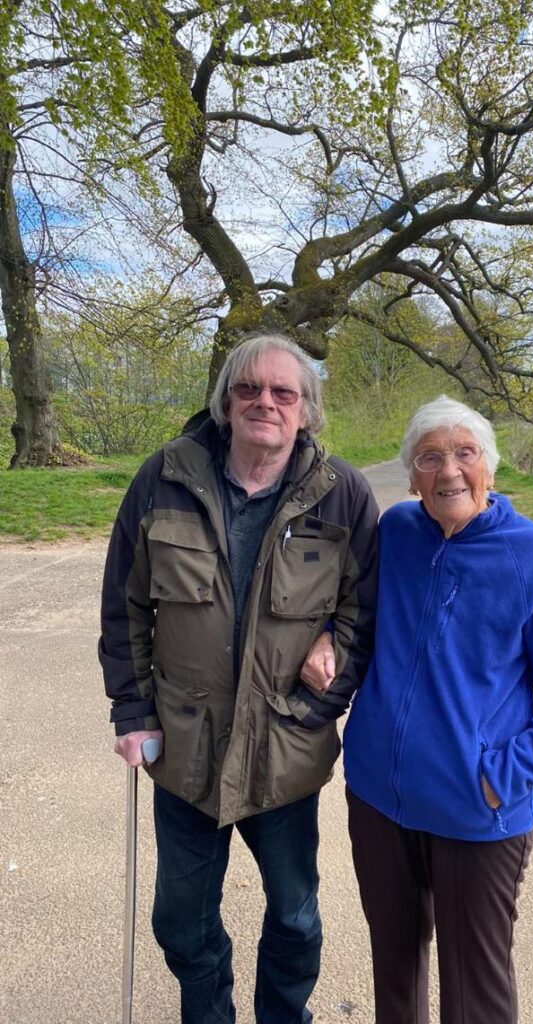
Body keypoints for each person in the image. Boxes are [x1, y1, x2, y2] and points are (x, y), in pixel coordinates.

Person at [99, 333, 379, 1024]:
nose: (266, 403)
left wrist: (321, 700)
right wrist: (134, 711)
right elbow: (125, 606)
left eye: (284, 393)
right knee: (180, 924)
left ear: (307, 411)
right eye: (249, 388)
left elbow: (365, 611)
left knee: (295, 918)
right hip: (187, 751)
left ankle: (283, 1016)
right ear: (225, 402)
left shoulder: (343, 495)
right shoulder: (160, 479)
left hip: (284, 751)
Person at [304, 394, 533, 1024]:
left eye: (465, 454)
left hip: (477, 813)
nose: (449, 472)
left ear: (490, 468)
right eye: (430, 457)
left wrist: (499, 778)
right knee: (395, 968)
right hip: (381, 801)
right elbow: (351, 609)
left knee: (476, 991)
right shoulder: (396, 532)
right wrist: (329, 631)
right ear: (411, 474)